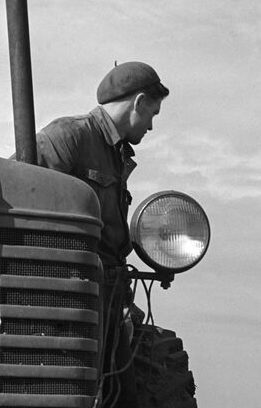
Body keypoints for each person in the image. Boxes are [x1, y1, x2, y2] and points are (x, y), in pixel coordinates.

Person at [34, 61, 169, 387]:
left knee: (124, 400)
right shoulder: (69, 137)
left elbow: (110, 237)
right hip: (63, 296)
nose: (151, 127)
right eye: (152, 114)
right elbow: (18, 195)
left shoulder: (117, 154)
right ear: (138, 103)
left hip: (106, 294)